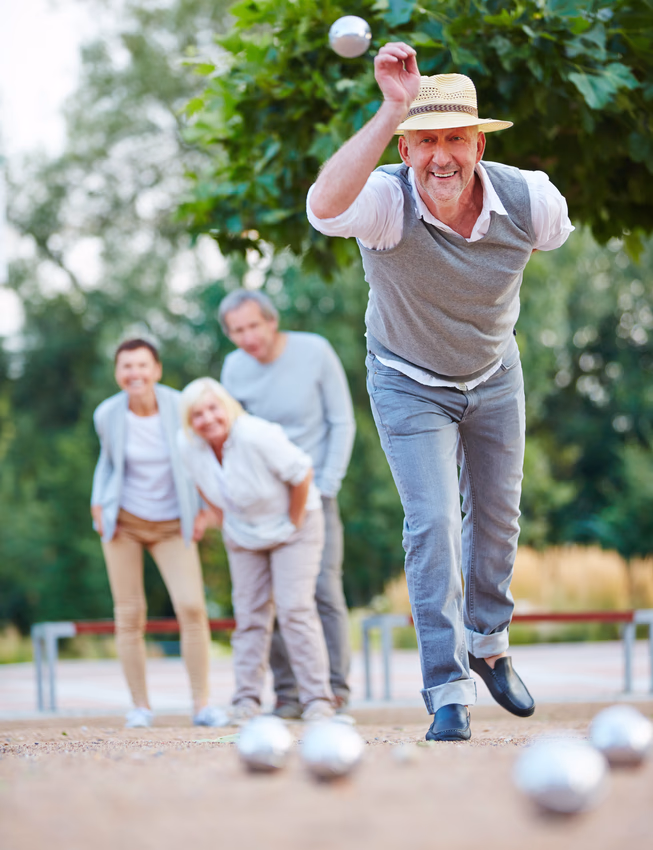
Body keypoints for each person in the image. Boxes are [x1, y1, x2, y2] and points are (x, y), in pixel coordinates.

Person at [307, 43, 574, 741]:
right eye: (424, 141)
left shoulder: (530, 202)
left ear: (478, 142)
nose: (440, 157)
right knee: (431, 527)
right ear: (405, 148)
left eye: (454, 138)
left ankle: (488, 645)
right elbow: (321, 206)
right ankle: (446, 688)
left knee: (496, 520)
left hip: (493, 373)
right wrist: (392, 106)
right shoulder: (385, 205)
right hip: (406, 379)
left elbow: (551, 239)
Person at [219, 290, 355, 718]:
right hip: (262, 500)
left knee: (321, 590)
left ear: (271, 321)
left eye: (253, 326)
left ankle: (333, 689)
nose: (247, 337)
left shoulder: (314, 351)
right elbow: (230, 433)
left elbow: (341, 420)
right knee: (269, 597)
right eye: (237, 331)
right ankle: (289, 692)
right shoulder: (233, 369)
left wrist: (328, 483)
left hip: (315, 492)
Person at [178, 377, 335, 724]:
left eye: (213, 408)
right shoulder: (188, 446)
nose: (207, 418)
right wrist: (224, 521)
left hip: (295, 524)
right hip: (244, 531)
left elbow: (302, 473)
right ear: (189, 422)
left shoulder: (255, 434)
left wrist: (292, 525)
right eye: (197, 414)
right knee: (249, 615)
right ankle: (246, 701)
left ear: (227, 407)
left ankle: (318, 701)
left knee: (294, 609)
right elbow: (202, 484)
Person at [91, 338, 224, 728]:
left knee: (192, 608)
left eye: (142, 365)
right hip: (125, 522)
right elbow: (108, 462)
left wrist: (203, 509)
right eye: (126, 367)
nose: (134, 374)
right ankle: (140, 707)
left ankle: (201, 705)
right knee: (129, 614)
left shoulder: (178, 406)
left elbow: (198, 458)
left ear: (157, 369)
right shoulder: (107, 414)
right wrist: (98, 501)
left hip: (171, 524)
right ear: (118, 373)